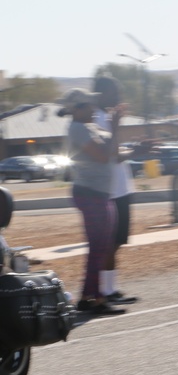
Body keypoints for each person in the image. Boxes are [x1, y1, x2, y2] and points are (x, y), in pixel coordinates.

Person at [57, 89, 126, 316]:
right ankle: (94, 299)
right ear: (77, 108)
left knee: (101, 247)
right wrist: (114, 126)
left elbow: (113, 152)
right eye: (89, 105)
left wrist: (138, 148)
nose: (94, 109)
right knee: (98, 248)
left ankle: (89, 297)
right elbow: (103, 156)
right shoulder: (77, 128)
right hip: (90, 193)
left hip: (100, 193)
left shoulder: (91, 126)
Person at [91, 76, 138, 306]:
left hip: (121, 188)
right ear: (100, 94)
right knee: (110, 242)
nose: (118, 95)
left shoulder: (106, 117)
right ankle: (104, 290)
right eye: (114, 91)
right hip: (110, 190)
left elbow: (115, 149)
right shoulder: (97, 118)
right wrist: (137, 151)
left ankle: (110, 288)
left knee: (117, 241)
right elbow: (112, 154)